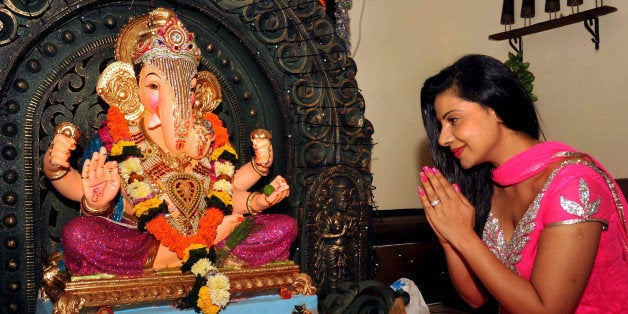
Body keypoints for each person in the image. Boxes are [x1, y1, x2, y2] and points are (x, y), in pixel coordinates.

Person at [41, 8, 297, 277]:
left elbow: (223, 193)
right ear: (130, 86)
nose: (171, 99)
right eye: (154, 86)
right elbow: (80, 188)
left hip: (209, 228)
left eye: (185, 88)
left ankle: (189, 253)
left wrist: (257, 201)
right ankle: (191, 254)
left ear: (197, 90)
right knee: (79, 235)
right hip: (143, 240)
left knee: (284, 227)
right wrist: (56, 167)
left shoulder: (205, 133)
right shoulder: (117, 136)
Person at [417, 54, 628, 313]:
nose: (443, 139)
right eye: (441, 125)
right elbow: (476, 297)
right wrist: (450, 237)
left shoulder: (572, 183)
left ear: (494, 109)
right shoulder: (490, 186)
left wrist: (464, 236)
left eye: (453, 119)